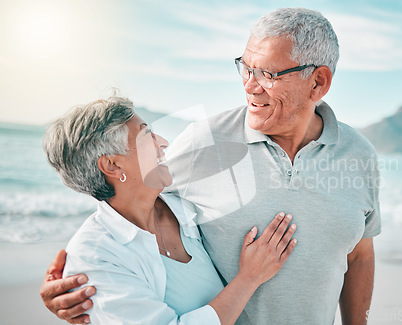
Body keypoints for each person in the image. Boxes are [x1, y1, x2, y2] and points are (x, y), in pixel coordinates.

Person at [40, 7, 381, 325]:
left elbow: (360, 254)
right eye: (246, 68)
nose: (249, 86)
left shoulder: (360, 156)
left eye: (267, 74)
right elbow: (124, 196)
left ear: (318, 82)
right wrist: (78, 287)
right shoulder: (204, 142)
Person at [41, 96, 297, 324]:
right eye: (146, 136)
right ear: (112, 165)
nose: (163, 143)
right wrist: (249, 278)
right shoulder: (95, 257)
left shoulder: (184, 205)